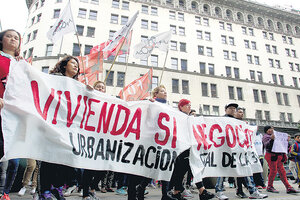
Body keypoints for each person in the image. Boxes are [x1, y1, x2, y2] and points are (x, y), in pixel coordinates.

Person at [39, 55, 81, 200]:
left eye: (77, 64)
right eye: (72, 63)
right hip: (52, 124)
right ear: (64, 66)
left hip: (67, 127)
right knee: (49, 158)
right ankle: (44, 190)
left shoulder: (77, 85)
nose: (76, 66)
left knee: (64, 159)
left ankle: (56, 187)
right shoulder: (54, 79)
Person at [168, 99, 215, 200]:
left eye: (190, 105)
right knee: (182, 170)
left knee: (184, 169)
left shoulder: (191, 118)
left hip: (190, 148)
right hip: (181, 148)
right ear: (181, 107)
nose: (189, 106)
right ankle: (200, 191)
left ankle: (178, 192)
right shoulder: (178, 116)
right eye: (186, 105)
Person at [0, 29, 23, 200]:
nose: (13, 39)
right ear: (1, 40)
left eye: (17, 37)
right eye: (9, 36)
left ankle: (5, 193)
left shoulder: (21, 64)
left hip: (14, 116)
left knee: (13, 161)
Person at [234, 108, 268, 199]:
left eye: (242, 112)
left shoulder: (245, 124)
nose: (241, 114)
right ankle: (243, 190)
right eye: (239, 112)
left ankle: (250, 189)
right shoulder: (231, 122)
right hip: (235, 151)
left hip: (245, 151)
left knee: (246, 170)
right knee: (239, 172)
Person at [262, 126, 297, 194]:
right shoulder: (266, 137)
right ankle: (270, 186)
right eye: (270, 129)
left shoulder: (277, 136)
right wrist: (272, 139)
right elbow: (267, 145)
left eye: (272, 129)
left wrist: (287, 141)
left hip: (279, 155)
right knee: (273, 171)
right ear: (267, 131)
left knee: (282, 172)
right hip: (271, 155)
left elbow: (284, 146)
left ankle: (288, 187)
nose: (272, 130)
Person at [215, 103, 238, 200]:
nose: (233, 110)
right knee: (222, 170)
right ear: (225, 110)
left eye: (234, 109)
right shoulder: (222, 120)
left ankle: (251, 189)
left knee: (243, 168)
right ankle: (219, 190)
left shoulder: (237, 122)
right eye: (230, 108)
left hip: (236, 149)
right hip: (224, 149)